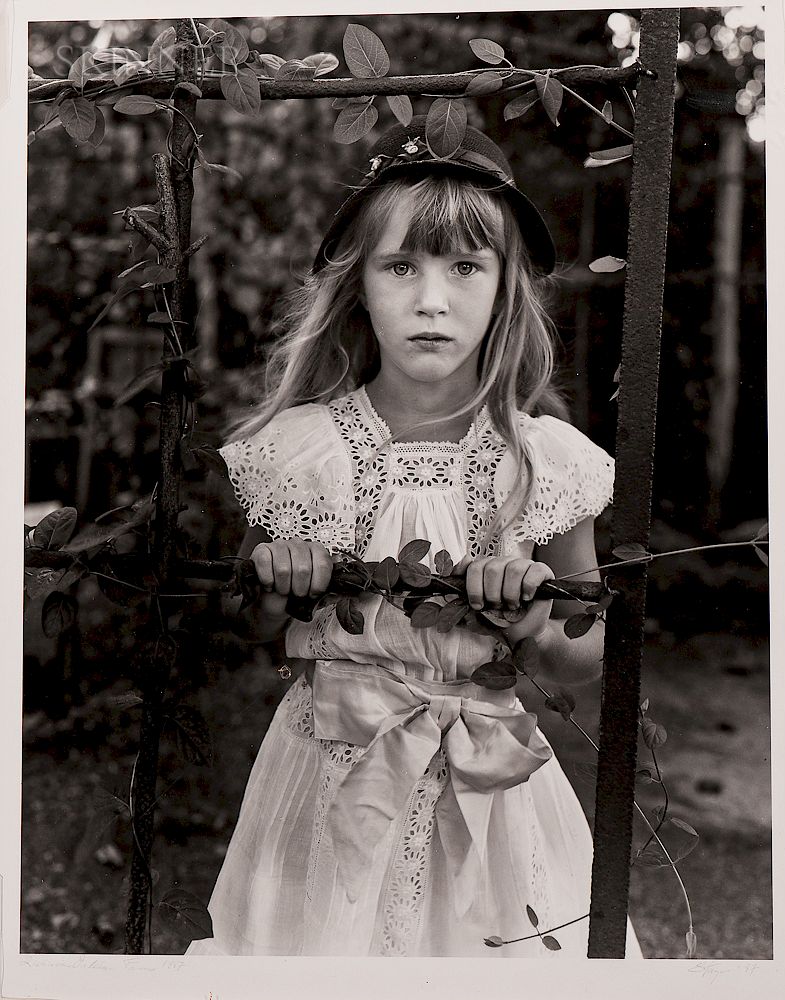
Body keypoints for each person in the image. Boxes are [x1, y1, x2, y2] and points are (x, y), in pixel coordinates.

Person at [186, 118, 642, 958]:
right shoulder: (303, 452)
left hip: (491, 781)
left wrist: (533, 621)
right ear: (358, 284)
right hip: (328, 768)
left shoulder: (543, 462)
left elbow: (589, 653)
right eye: (402, 267)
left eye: (465, 268)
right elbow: (251, 626)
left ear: (505, 289)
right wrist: (280, 583)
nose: (432, 300)